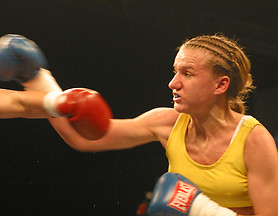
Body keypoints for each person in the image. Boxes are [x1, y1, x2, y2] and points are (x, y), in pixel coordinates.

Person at [3, 33, 278, 215]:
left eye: (188, 73)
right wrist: (37, 79)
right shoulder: (167, 123)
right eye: (175, 72)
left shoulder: (253, 141)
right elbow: (86, 138)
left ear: (221, 84)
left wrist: (201, 209)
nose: (173, 83)